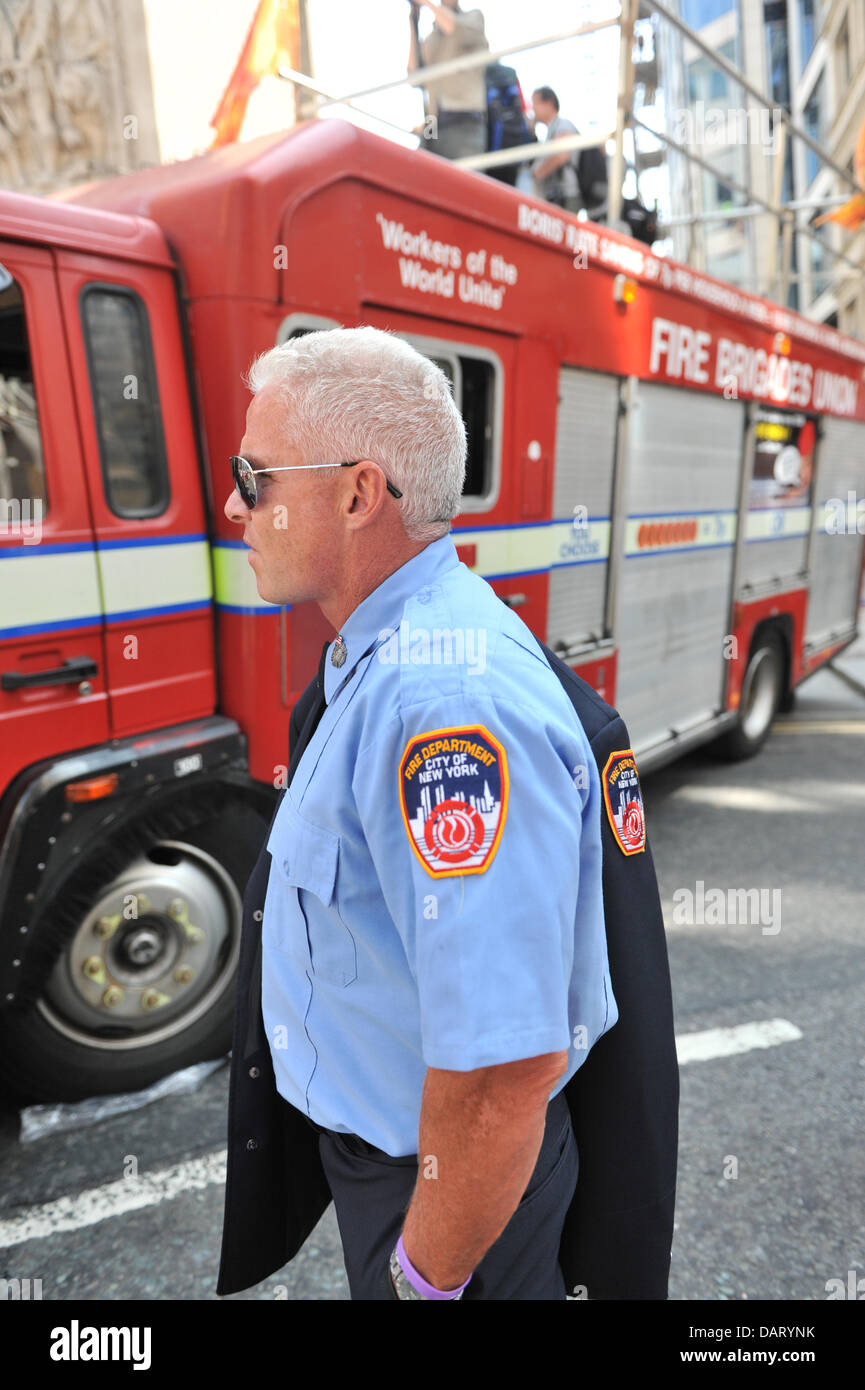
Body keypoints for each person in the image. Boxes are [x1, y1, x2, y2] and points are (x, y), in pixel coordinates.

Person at [216, 326, 678, 1302]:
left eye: (253, 476)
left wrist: (422, 1282)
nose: (233, 506)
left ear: (355, 492)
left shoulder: (445, 705)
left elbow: (501, 1072)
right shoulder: (381, 658)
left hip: (447, 1194)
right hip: (405, 1166)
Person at [408, 0, 488, 162]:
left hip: (464, 120)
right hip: (432, 123)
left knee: (463, 183)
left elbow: (454, 27)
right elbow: (414, 76)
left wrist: (427, 4)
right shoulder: (432, 38)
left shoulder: (473, 17)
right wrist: (413, 21)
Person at [530, 86, 609, 219]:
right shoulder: (552, 130)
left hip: (566, 196)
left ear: (549, 103)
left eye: (536, 103)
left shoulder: (562, 125)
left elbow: (562, 155)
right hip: (560, 196)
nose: (533, 108)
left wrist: (536, 173)